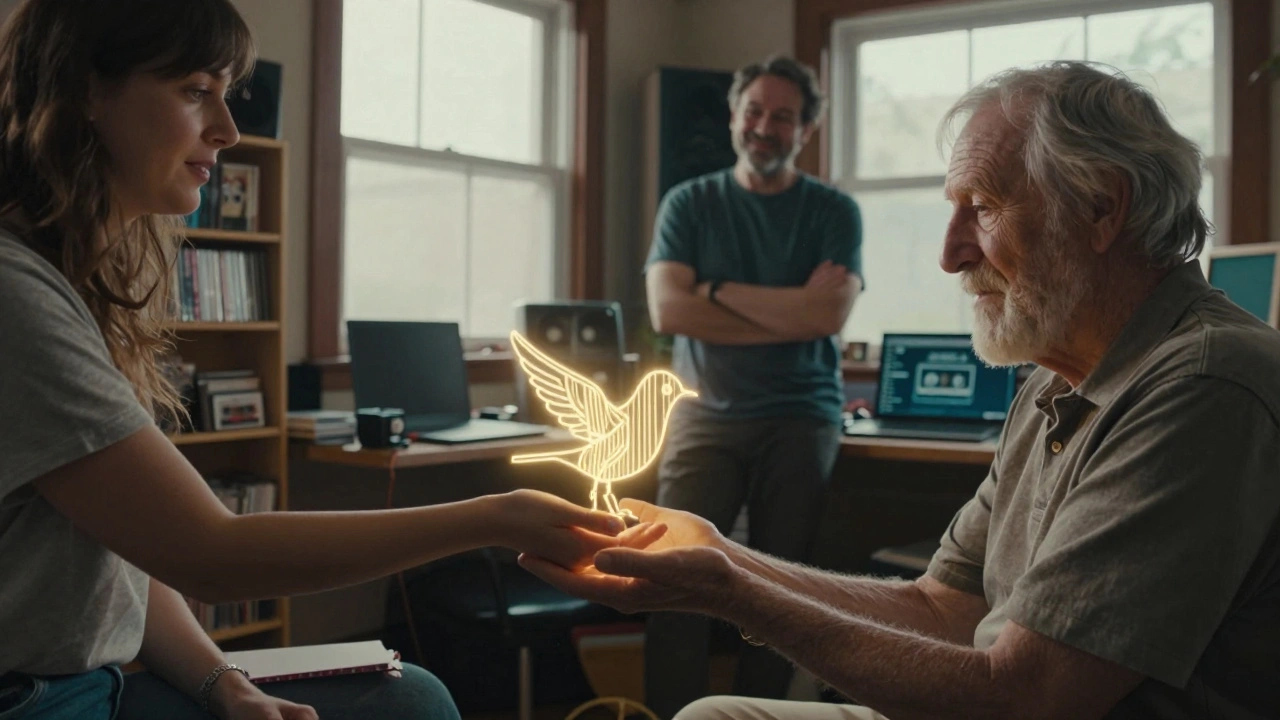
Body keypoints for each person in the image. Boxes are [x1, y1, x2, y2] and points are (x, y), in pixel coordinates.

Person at [525, 61, 1280, 720]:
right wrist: (725, 557)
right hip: (991, 696)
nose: (951, 255)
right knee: (711, 712)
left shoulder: (1205, 385)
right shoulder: (1055, 378)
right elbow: (941, 607)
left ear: (1102, 207)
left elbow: (1026, 699)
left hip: (1006, 707)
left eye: (980, 208)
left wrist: (730, 592)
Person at [0, 1, 629, 719]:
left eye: (225, 93)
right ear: (85, 89)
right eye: (195, 90)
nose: (229, 129)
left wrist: (222, 683)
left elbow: (133, 564)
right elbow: (205, 552)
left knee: (410, 696)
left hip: (93, 684)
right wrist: (495, 516)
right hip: (35, 700)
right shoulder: (16, 294)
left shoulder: (74, 290)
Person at [641, 55, 863, 716]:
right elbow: (668, 313)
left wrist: (714, 291)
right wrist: (787, 308)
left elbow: (827, 316)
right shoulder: (688, 203)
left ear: (806, 130)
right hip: (702, 415)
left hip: (802, 417)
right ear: (736, 116)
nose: (765, 127)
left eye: (784, 117)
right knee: (670, 575)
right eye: (755, 112)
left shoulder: (833, 211)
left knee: (776, 587)